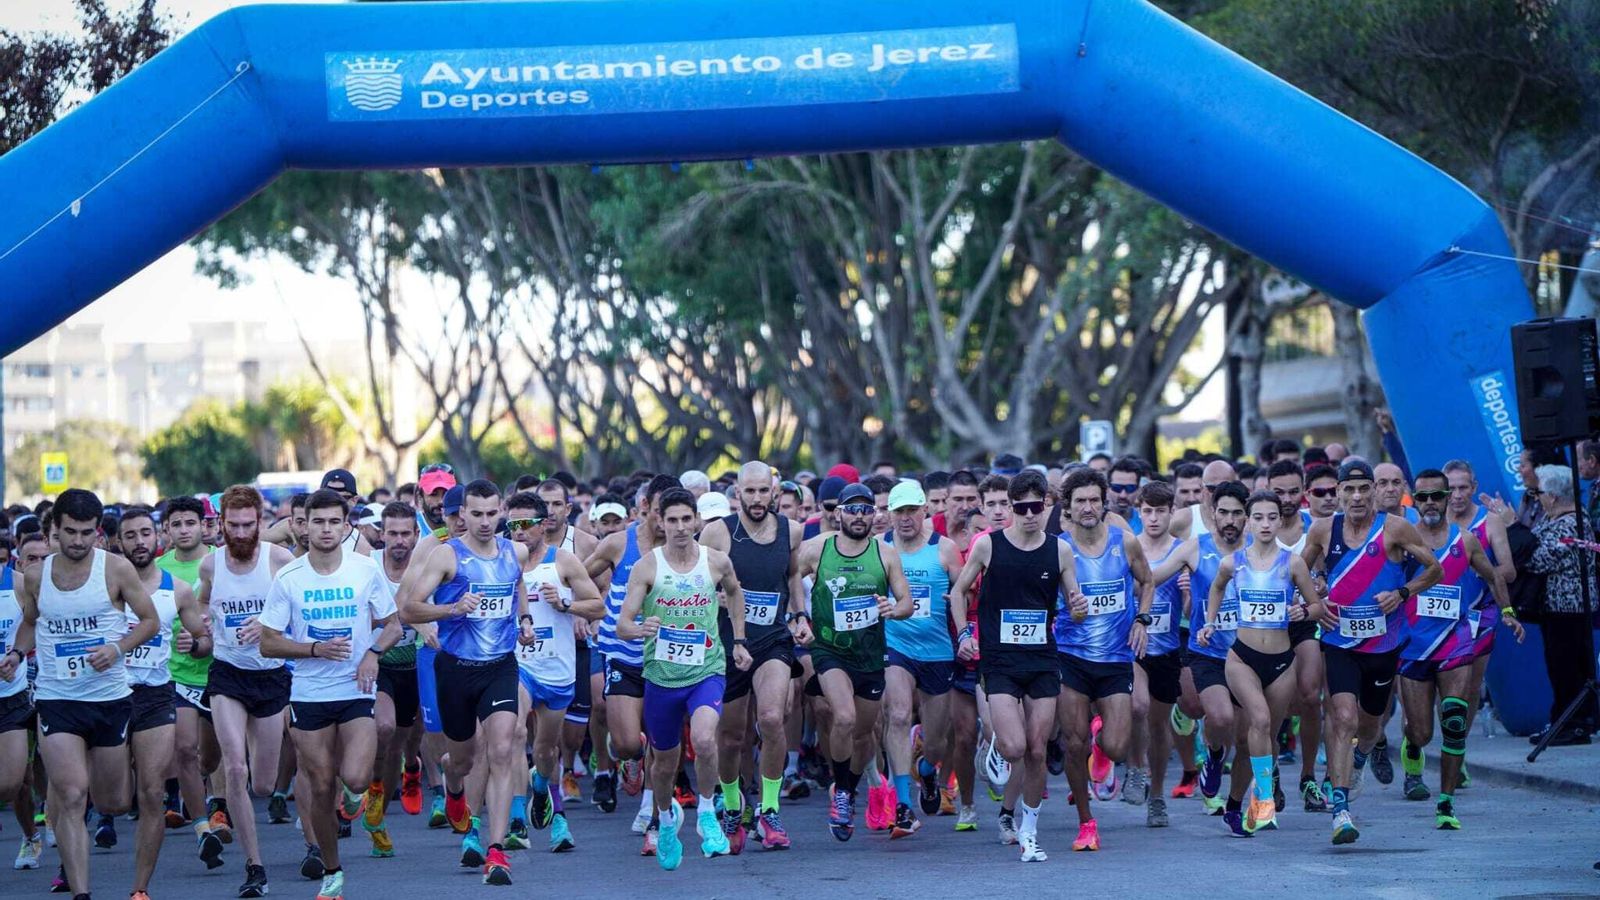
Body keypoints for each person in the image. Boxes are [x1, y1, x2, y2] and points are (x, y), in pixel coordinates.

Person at [8, 489, 161, 900]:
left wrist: (117, 648)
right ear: (54, 529)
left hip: (109, 699)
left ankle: (88, 775)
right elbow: (30, 623)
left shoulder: (116, 570)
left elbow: (150, 621)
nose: (78, 541)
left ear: (98, 532)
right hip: (58, 698)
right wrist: (17, 652)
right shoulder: (38, 575)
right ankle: (81, 894)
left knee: (113, 801)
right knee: (73, 796)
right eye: (70, 532)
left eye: (87, 533)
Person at [259, 489, 404, 900]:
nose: (325, 529)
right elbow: (268, 642)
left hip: (356, 688)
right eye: (316, 521)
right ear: (303, 525)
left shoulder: (363, 570)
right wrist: (312, 649)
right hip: (308, 693)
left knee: (355, 776)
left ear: (346, 526)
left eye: (333, 522)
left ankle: (357, 796)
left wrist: (373, 654)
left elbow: (393, 624)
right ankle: (332, 871)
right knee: (321, 785)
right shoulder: (289, 577)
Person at [394, 479, 536, 885]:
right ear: (462, 516)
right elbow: (409, 609)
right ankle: (453, 787)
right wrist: (453, 608)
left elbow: (517, 584)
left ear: (502, 513)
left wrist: (524, 619)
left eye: (493, 514)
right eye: (477, 514)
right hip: (456, 669)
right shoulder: (446, 556)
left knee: (504, 748)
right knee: (464, 758)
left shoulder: (516, 551)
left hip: (500, 666)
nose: (486, 522)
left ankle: (495, 850)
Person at [1301, 459, 1441, 845]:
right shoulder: (1322, 529)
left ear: (1377, 492)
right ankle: (1341, 809)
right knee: (1342, 717)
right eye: (1350, 489)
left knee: (1369, 724)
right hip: (1339, 642)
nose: (1358, 496)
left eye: (1365, 489)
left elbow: (1435, 570)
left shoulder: (1394, 528)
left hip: (1383, 646)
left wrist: (1401, 593)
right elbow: (1298, 571)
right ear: (1340, 493)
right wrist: (1314, 598)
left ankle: (1360, 757)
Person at [948, 469, 1081, 862]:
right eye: (1019, 507)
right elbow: (957, 593)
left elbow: (1075, 603)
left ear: (1045, 506)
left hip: (1041, 659)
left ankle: (1029, 830)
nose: (1027, 515)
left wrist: (1078, 607)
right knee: (1014, 746)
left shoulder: (1059, 550)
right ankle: (994, 750)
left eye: (1034, 507)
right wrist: (963, 636)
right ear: (1009, 507)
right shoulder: (988, 547)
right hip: (1000, 661)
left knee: (1037, 750)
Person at [617, 487, 753, 871]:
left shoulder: (716, 561)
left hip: (706, 670)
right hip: (661, 676)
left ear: (696, 521)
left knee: (707, 738)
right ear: (661, 522)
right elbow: (623, 625)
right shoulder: (648, 566)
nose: (679, 527)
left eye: (685, 520)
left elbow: (735, 594)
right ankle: (664, 818)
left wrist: (739, 639)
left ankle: (708, 812)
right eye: (671, 520)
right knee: (664, 762)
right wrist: (640, 627)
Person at [1397, 469, 1520, 828]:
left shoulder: (1465, 540)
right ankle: (1413, 747)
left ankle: (1446, 803)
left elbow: (1493, 574)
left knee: (1453, 718)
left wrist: (1508, 611)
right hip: (1413, 645)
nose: (1431, 503)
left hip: (1455, 640)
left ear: (1449, 497)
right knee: (1421, 731)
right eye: (1423, 497)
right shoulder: (1403, 539)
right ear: (1414, 502)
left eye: (1437, 495)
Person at [1196, 491, 1321, 836]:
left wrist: (1303, 611)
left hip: (1282, 662)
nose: (1265, 524)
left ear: (1280, 521)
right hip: (1242, 659)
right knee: (1260, 720)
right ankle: (1264, 798)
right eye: (1259, 518)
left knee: (1263, 737)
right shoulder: (1232, 563)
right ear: (1249, 522)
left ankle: (1235, 803)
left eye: (1271, 517)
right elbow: (1217, 589)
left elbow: (1317, 607)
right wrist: (1209, 621)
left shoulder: (1293, 563)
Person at [698, 461, 808, 852]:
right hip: (727, 644)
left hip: (773, 640)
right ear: (737, 494)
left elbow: (792, 576)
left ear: (774, 493)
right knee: (730, 737)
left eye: (764, 492)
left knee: (772, 718)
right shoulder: (718, 532)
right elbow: (698, 580)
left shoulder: (791, 532)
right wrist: (721, 599)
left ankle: (770, 809)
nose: (758, 499)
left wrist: (798, 614)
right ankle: (732, 807)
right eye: (750, 492)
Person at [796, 482, 915, 842]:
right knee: (843, 717)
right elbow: (788, 578)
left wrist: (892, 610)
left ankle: (845, 785)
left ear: (874, 515)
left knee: (865, 734)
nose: (860, 516)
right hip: (829, 650)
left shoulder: (885, 553)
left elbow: (906, 601)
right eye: (853, 509)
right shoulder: (817, 549)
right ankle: (844, 794)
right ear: (839, 513)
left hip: (870, 653)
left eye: (867, 510)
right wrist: (799, 616)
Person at [199, 485, 296, 897]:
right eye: (232, 525)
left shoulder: (280, 560)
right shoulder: (210, 565)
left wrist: (270, 626)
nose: (240, 533)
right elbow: (204, 606)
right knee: (235, 768)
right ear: (221, 524)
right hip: (227, 674)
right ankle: (255, 867)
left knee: (263, 783)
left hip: (271, 676)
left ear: (261, 522)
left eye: (247, 525)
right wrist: (202, 624)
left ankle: (260, 805)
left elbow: (301, 614)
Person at [1054, 468, 1154, 851]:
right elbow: (1046, 602)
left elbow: (1147, 582)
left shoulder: (1124, 543)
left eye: (1094, 499)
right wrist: (1067, 610)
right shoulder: (1059, 549)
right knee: (1072, 744)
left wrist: (1142, 620)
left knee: (1115, 746)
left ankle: (1103, 742)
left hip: (1115, 658)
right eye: (1080, 501)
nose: (1088, 507)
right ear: (1069, 506)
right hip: (1071, 657)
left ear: (1104, 502)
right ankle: (1086, 822)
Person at [117, 506, 212, 900]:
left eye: (145, 533)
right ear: (118, 542)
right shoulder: (106, 584)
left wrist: (196, 644)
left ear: (159, 537)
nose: (139, 542)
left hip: (156, 693)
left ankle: (141, 888)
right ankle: (68, 859)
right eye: (130, 535)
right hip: (108, 695)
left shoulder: (178, 589)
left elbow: (204, 641)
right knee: (115, 797)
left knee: (152, 791)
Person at [585, 474, 679, 850]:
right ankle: (631, 757)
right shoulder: (617, 543)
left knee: (662, 742)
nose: (666, 522)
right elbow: (578, 577)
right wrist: (587, 610)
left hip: (666, 659)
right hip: (621, 654)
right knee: (625, 743)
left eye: (674, 516)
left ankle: (656, 817)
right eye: (660, 514)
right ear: (644, 509)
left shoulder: (684, 549)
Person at [506, 493, 603, 853]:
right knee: (515, 732)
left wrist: (564, 604)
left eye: (525, 524)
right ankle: (517, 817)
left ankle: (542, 784)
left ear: (544, 523)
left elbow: (598, 606)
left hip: (558, 669)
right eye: (512, 525)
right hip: (517, 666)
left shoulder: (561, 560)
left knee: (546, 749)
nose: (518, 532)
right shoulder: (502, 561)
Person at [1150, 481, 1252, 816]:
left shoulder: (1260, 548)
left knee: (1243, 735)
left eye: (1237, 513)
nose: (1230, 519)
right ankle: (1213, 755)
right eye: (1223, 512)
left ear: (1246, 516)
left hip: (1250, 654)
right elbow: (1154, 574)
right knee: (1219, 717)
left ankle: (1238, 797)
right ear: (1212, 513)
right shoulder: (1195, 547)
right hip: (1206, 650)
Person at [879, 480, 962, 836]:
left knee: (937, 740)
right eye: (899, 511)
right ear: (890, 514)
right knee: (896, 715)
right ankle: (902, 803)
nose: (906, 518)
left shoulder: (945, 550)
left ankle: (927, 771)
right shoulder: (879, 548)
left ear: (925, 510)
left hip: (938, 651)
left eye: (913, 509)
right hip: (895, 646)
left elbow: (965, 595)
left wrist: (960, 606)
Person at [156, 496, 228, 857]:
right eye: (176, 524)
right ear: (166, 529)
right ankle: (202, 827)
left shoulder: (222, 564)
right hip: (175, 674)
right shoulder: (158, 570)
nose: (184, 530)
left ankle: (217, 801)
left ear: (204, 526)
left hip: (219, 674)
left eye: (190, 523)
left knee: (211, 759)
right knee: (185, 749)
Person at [362, 502, 425, 858]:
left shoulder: (427, 567)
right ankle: (374, 795)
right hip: (382, 664)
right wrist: (390, 622)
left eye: (406, 533)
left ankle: (383, 812)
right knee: (383, 730)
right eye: (393, 533)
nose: (399, 541)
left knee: (401, 745)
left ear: (416, 535)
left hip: (417, 667)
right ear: (381, 534)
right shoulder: (367, 567)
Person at [1527, 464, 1599, 745]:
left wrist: (1511, 527)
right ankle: (1567, 721)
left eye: (1539, 492)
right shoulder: (1552, 518)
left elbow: (1537, 560)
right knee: (1561, 667)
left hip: (1569, 608)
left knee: (1567, 668)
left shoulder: (1571, 523)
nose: (1537, 497)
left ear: (1554, 495)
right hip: (1555, 607)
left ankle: (1573, 724)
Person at [1130, 481, 1183, 827]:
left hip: (1168, 647)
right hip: (1131, 645)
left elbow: (1195, 606)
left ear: (1171, 513)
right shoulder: (1128, 547)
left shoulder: (1182, 550)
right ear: (1138, 512)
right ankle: (1135, 769)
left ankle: (1158, 794)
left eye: (1160, 511)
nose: (1153, 518)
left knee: (1160, 723)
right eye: (1147, 511)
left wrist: (1189, 593)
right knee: (1138, 706)